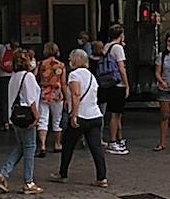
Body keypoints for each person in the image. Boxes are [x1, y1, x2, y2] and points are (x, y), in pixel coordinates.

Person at [55, 49, 107, 187]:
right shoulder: (91, 76)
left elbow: (76, 95)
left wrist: (74, 115)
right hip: (95, 115)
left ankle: (63, 173)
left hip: (81, 116)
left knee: (68, 144)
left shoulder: (74, 75)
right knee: (96, 147)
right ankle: (102, 177)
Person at [0, 49, 41, 194]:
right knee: (30, 147)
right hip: (27, 116)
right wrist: (36, 116)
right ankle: (28, 181)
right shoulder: (29, 77)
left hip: (15, 116)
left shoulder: (13, 76)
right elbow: (31, 99)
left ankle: (3, 173)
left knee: (21, 146)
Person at [98, 24, 129, 154]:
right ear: (120, 35)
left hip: (108, 82)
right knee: (116, 114)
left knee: (115, 112)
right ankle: (113, 141)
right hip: (118, 83)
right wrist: (127, 84)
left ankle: (118, 138)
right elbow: (121, 67)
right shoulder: (118, 48)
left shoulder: (107, 46)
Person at [37, 42, 66, 158]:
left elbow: (37, 77)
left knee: (43, 119)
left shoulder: (41, 64)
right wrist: (66, 96)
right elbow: (63, 83)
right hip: (57, 93)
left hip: (44, 92)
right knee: (57, 120)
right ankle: (57, 144)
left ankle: (43, 145)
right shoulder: (61, 65)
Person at [0, 40, 18, 132]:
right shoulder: (16, 50)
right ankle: (13, 120)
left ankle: (6, 122)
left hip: (3, 76)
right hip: (13, 76)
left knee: (4, 100)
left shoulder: (1, 48)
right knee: (13, 99)